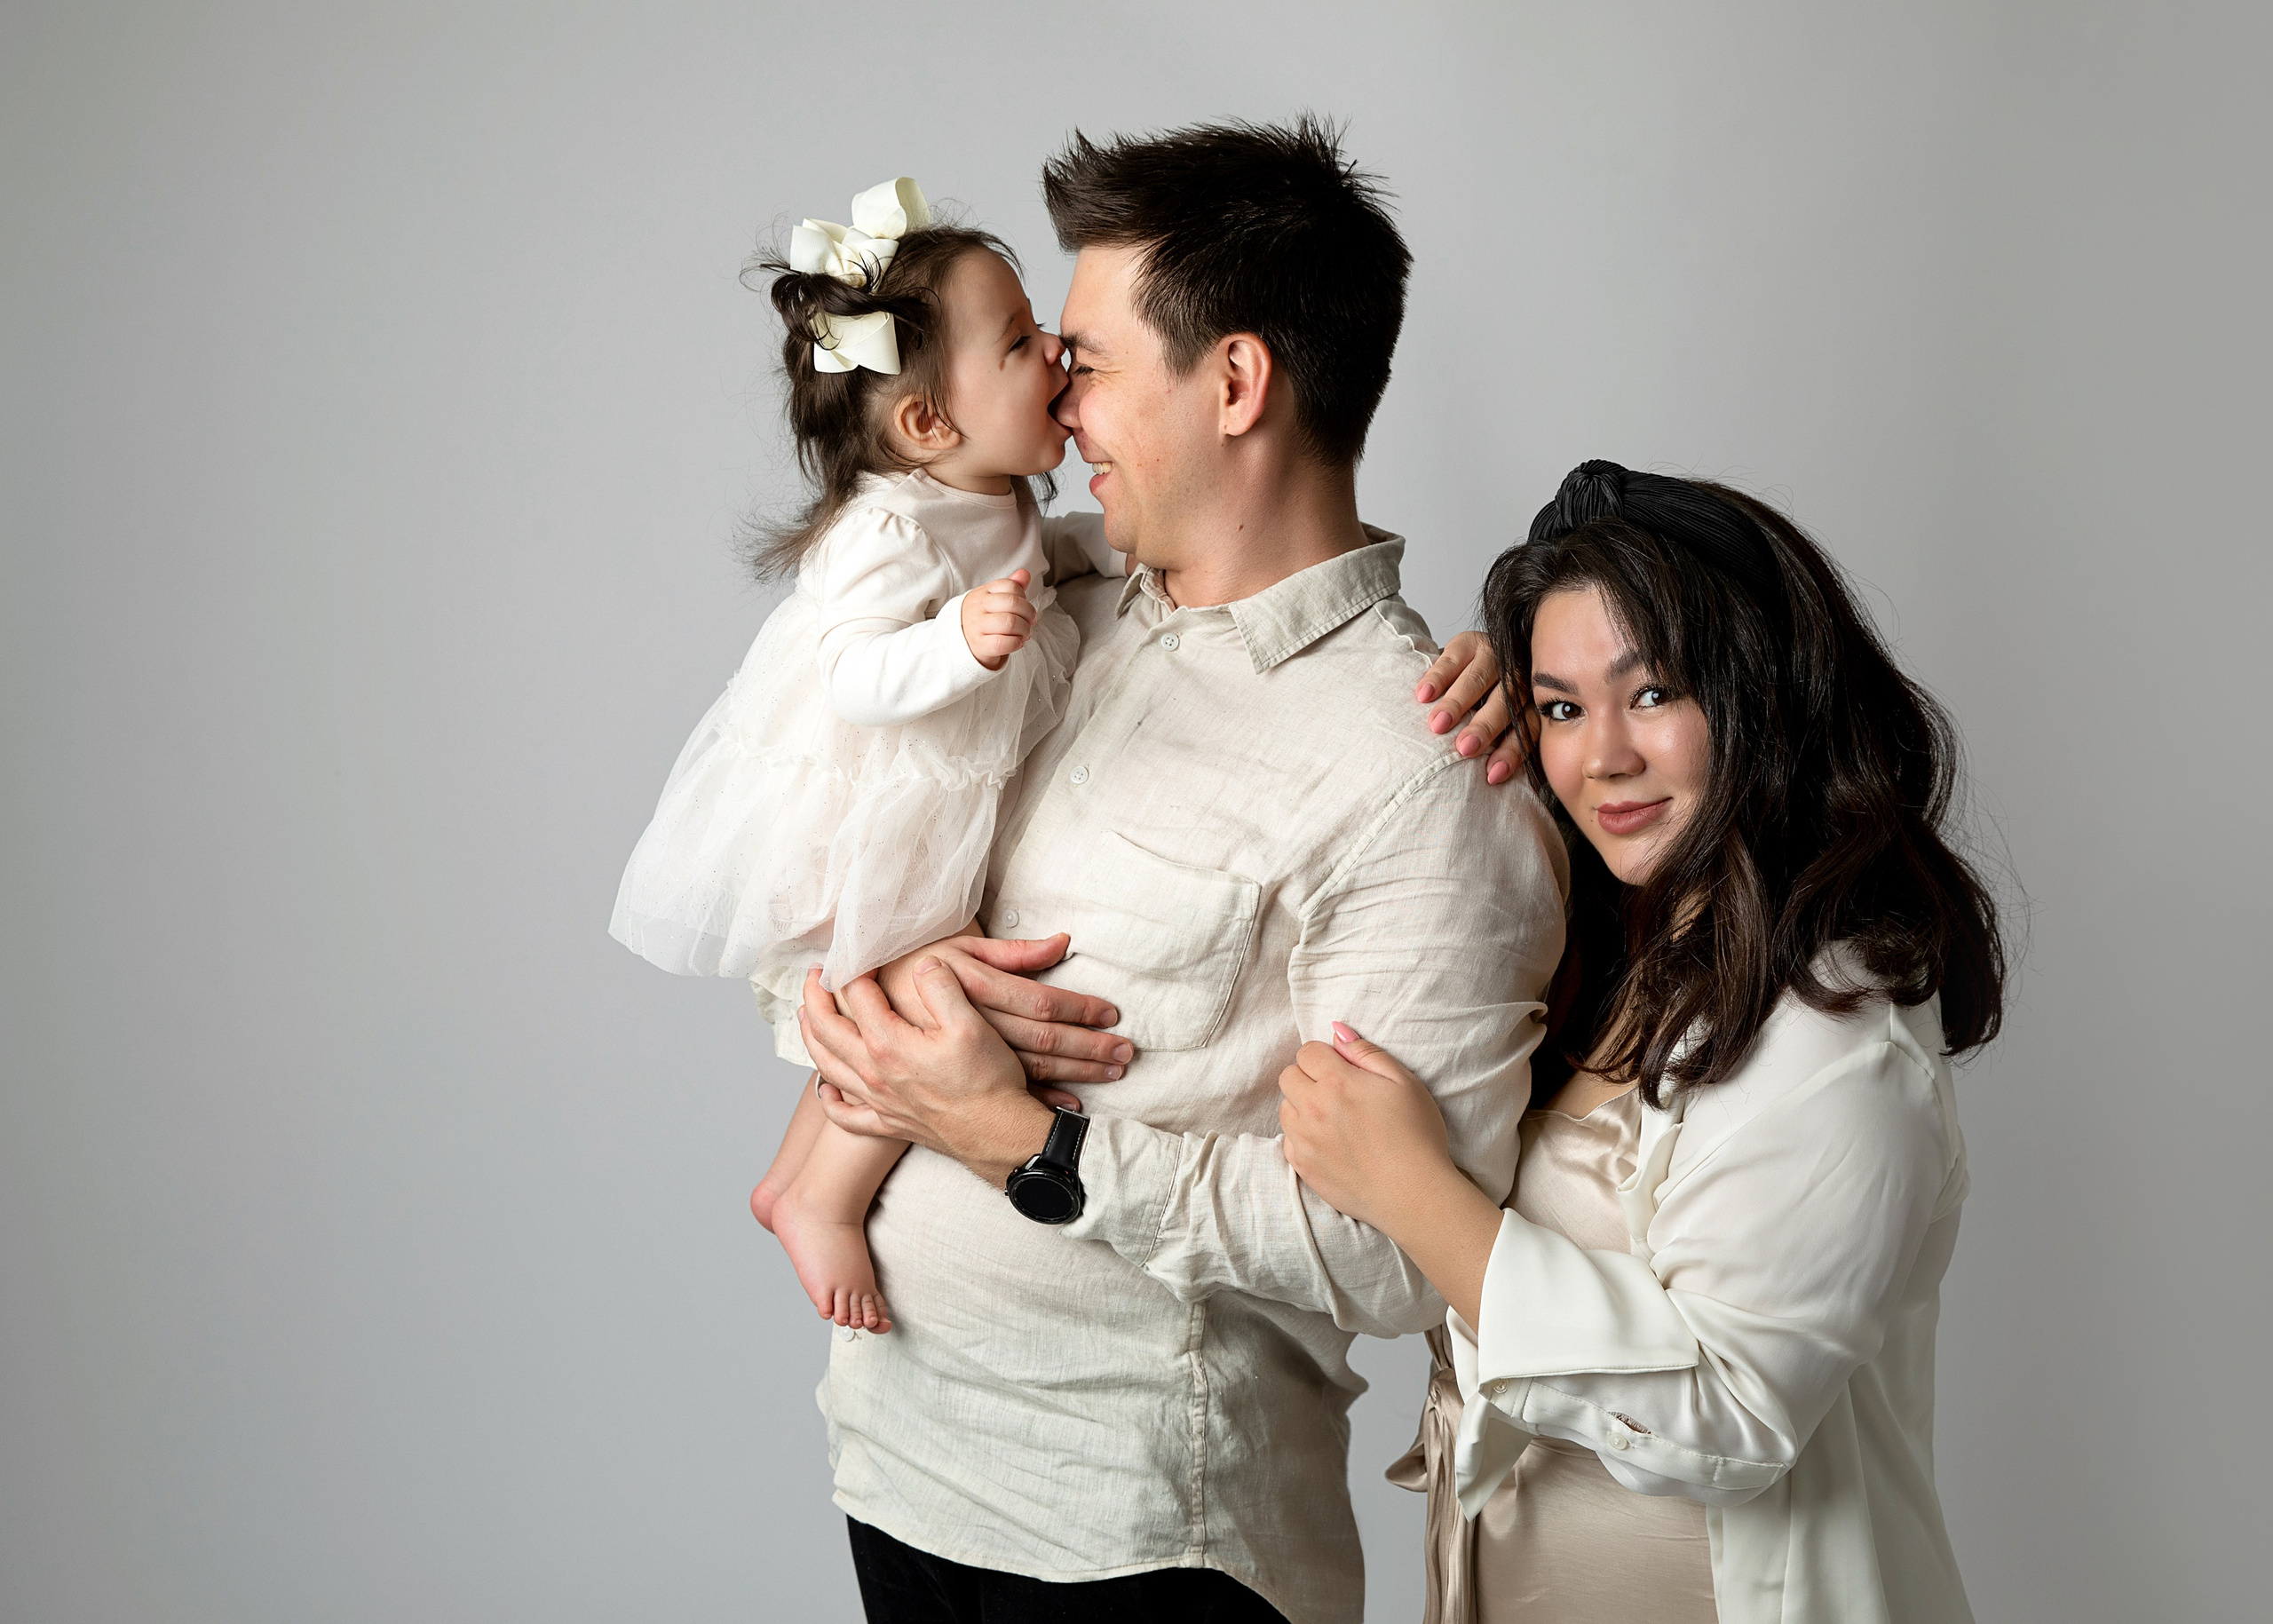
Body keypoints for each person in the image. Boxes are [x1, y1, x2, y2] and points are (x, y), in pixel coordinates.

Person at [795, 119, 1562, 1624]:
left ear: (1235, 382)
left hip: (1137, 1538)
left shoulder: (1419, 779)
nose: (1052, 401)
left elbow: (1397, 1252)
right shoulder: (1058, 599)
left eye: (1083, 360)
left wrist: (1027, 1140)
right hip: (897, 1463)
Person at [1277, 462, 2007, 1623]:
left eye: (1653, 691)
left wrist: (1413, 1188)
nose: (1600, 757)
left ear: (1761, 692)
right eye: (1561, 706)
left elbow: (1726, 1403)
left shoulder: (1839, 1036)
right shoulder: (1617, 948)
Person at [607, 178, 1121, 1334]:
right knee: (910, 1003)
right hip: (887, 799)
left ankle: (796, 1179)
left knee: (907, 994)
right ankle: (821, 1194)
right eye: (1021, 342)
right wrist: (954, 641)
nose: (1057, 351)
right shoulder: (887, 533)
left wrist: (1104, 558)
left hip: (951, 781)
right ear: (929, 424)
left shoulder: (989, 492)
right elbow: (853, 674)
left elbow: (1049, 554)